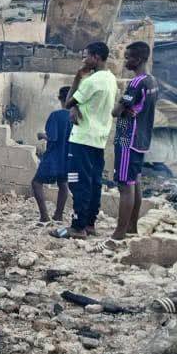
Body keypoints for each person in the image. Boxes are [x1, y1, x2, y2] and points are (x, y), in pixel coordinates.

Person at [52, 42, 117, 240]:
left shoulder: (91, 80)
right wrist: (77, 107)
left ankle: (77, 227)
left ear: (96, 57)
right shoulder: (110, 79)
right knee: (94, 182)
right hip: (98, 139)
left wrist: (78, 76)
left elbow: (69, 101)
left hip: (82, 139)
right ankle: (89, 224)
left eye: (86, 56)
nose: (83, 60)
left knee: (77, 183)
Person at [109, 42, 157, 243]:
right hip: (142, 139)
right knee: (134, 182)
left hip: (128, 138)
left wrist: (122, 106)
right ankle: (131, 227)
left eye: (128, 57)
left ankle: (118, 234)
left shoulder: (136, 83)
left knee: (124, 185)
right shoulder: (152, 81)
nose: (125, 60)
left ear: (138, 59)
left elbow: (116, 111)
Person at [32, 87, 73, 224]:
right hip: (68, 158)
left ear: (60, 99)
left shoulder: (56, 115)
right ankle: (58, 215)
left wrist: (41, 135)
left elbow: (53, 137)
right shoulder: (77, 117)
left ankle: (44, 216)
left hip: (53, 157)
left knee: (36, 183)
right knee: (63, 184)